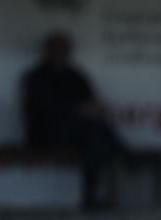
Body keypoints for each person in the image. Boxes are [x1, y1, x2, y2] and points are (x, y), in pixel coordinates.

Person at [21, 31, 133, 209]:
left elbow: (92, 102)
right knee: (96, 134)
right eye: (56, 49)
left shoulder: (74, 75)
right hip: (46, 135)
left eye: (64, 49)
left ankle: (91, 196)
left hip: (80, 135)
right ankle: (127, 157)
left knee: (96, 137)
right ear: (47, 51)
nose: (60, 53)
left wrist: (93, 109)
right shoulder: (36, 76)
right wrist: (78, 110)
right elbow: (47, 108)